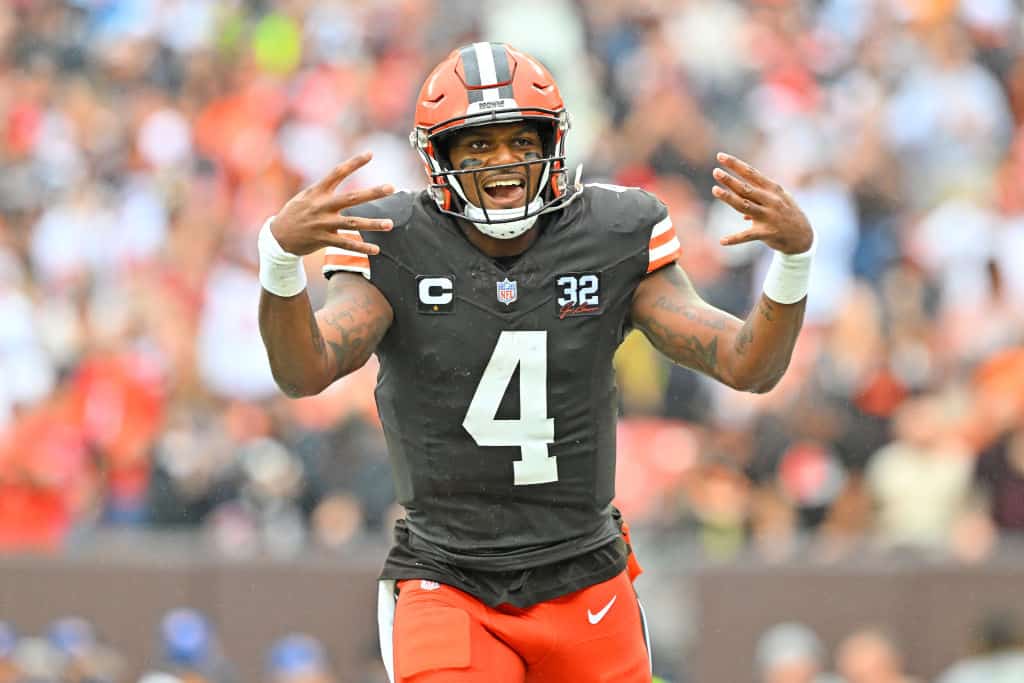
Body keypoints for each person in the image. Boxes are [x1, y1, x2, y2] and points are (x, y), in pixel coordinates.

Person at [258, 42, 815, 683]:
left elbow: (748, 366)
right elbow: (305, 371)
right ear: (438, 157)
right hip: (451, 577)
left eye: (521, 142)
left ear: (553, 142)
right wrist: (277, 259)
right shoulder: (393, 242)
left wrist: (793, 262)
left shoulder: (613, 232)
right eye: (477, 145)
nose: (503, 162)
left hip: (585, 573)